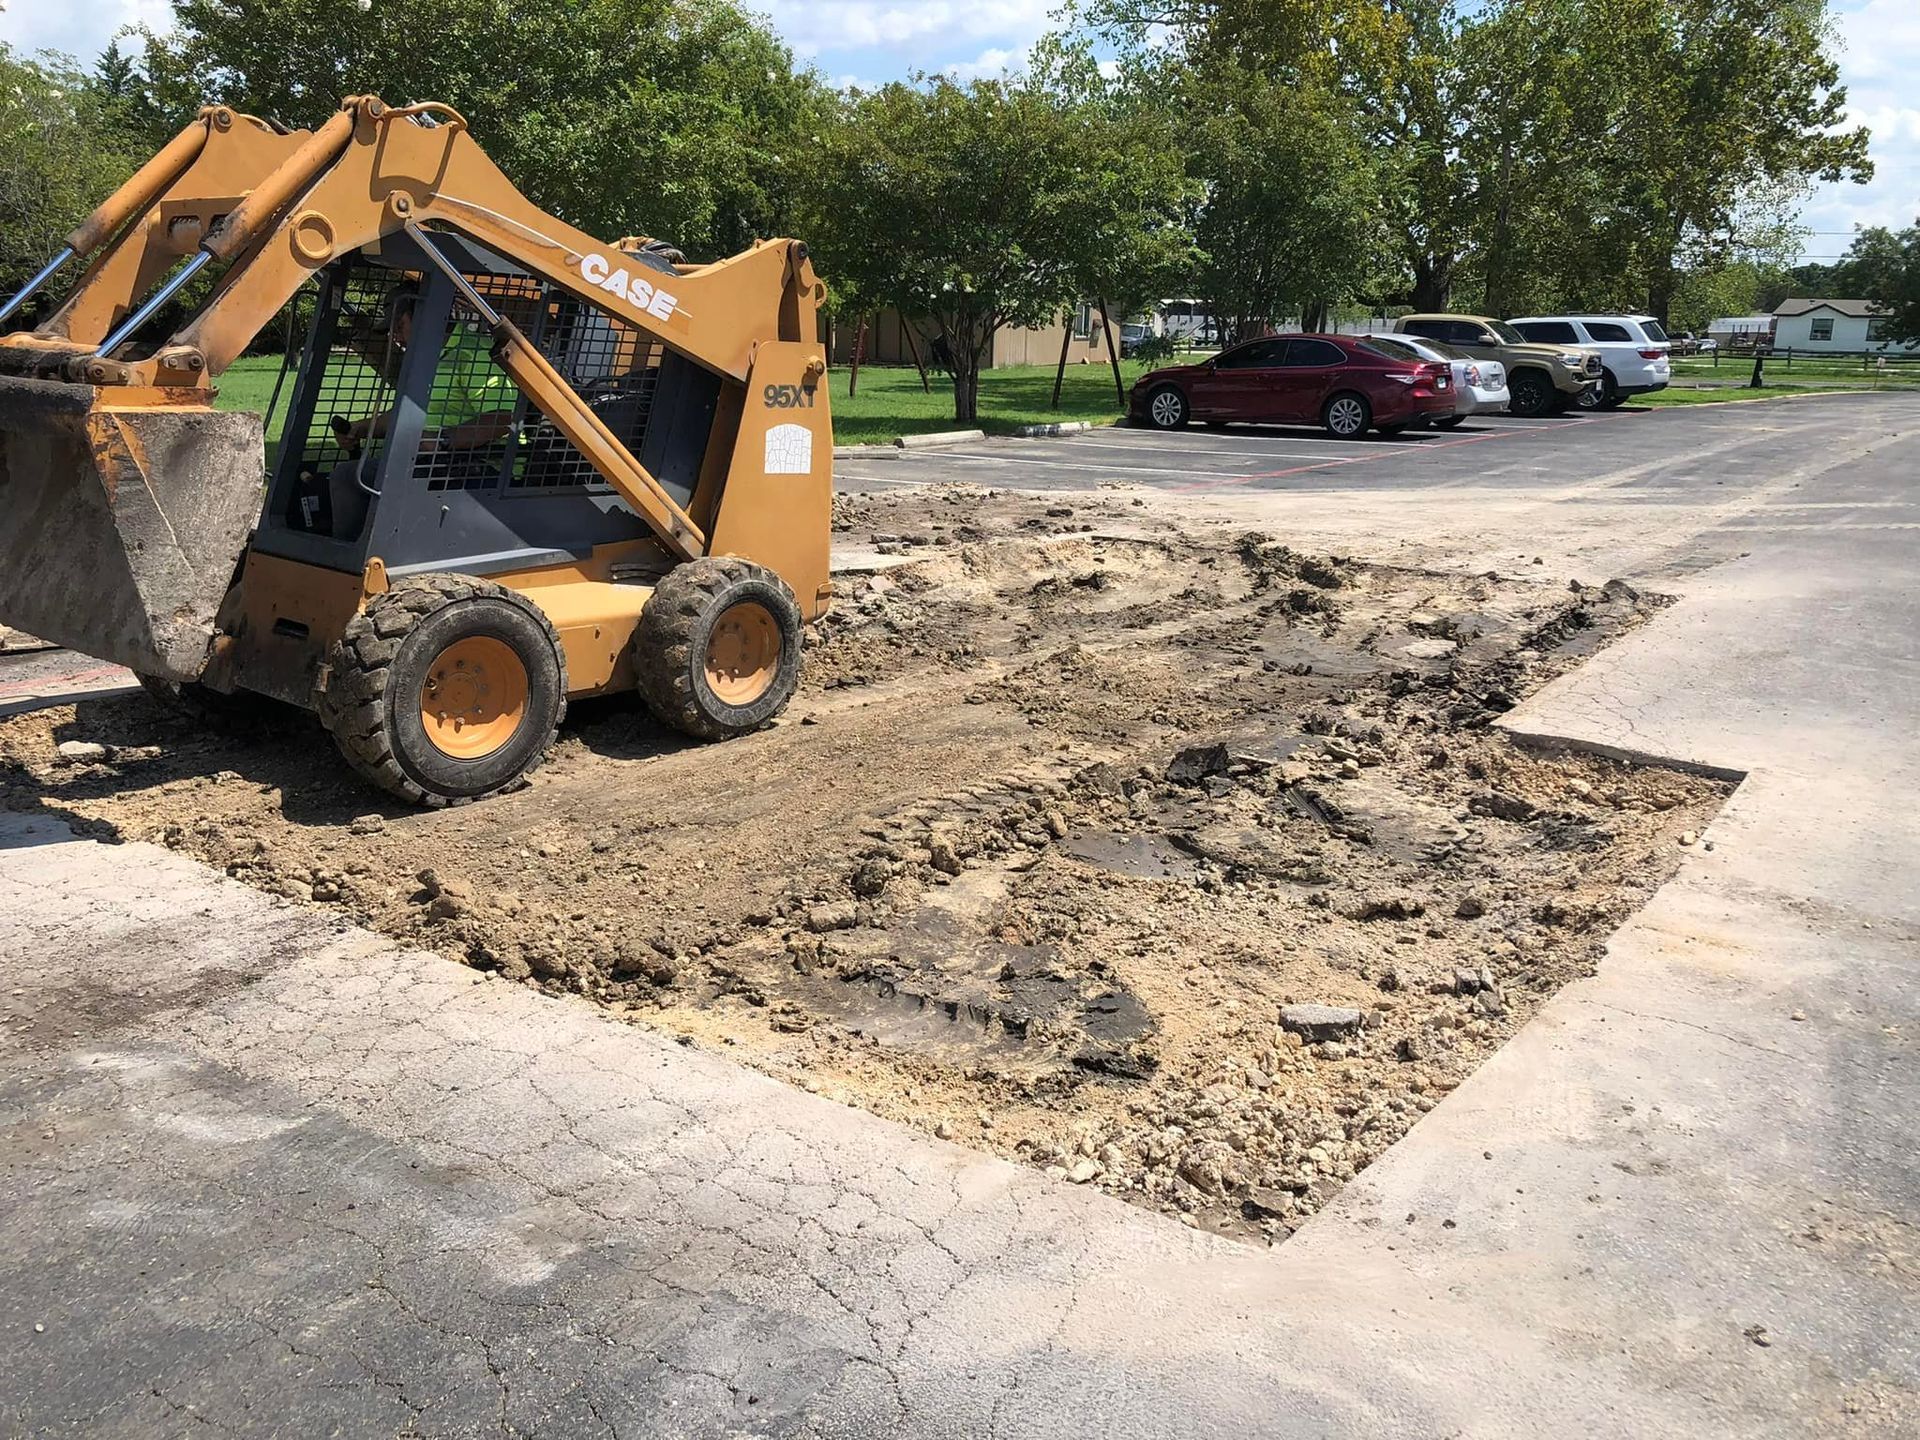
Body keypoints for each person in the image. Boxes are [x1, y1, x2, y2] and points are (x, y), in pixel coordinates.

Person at [320, 285, 515, 537]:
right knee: (349, 476)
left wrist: (442, 441)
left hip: (480, 464)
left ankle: (367, 557)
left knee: (356, 476)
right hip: (432, 462)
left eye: (399, 327)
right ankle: (350, 556)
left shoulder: (473, 355)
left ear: (424, 315)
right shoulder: (424, 357)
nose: (395, 337)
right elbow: (406, 413)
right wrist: (359, 428)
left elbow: (502, 420)